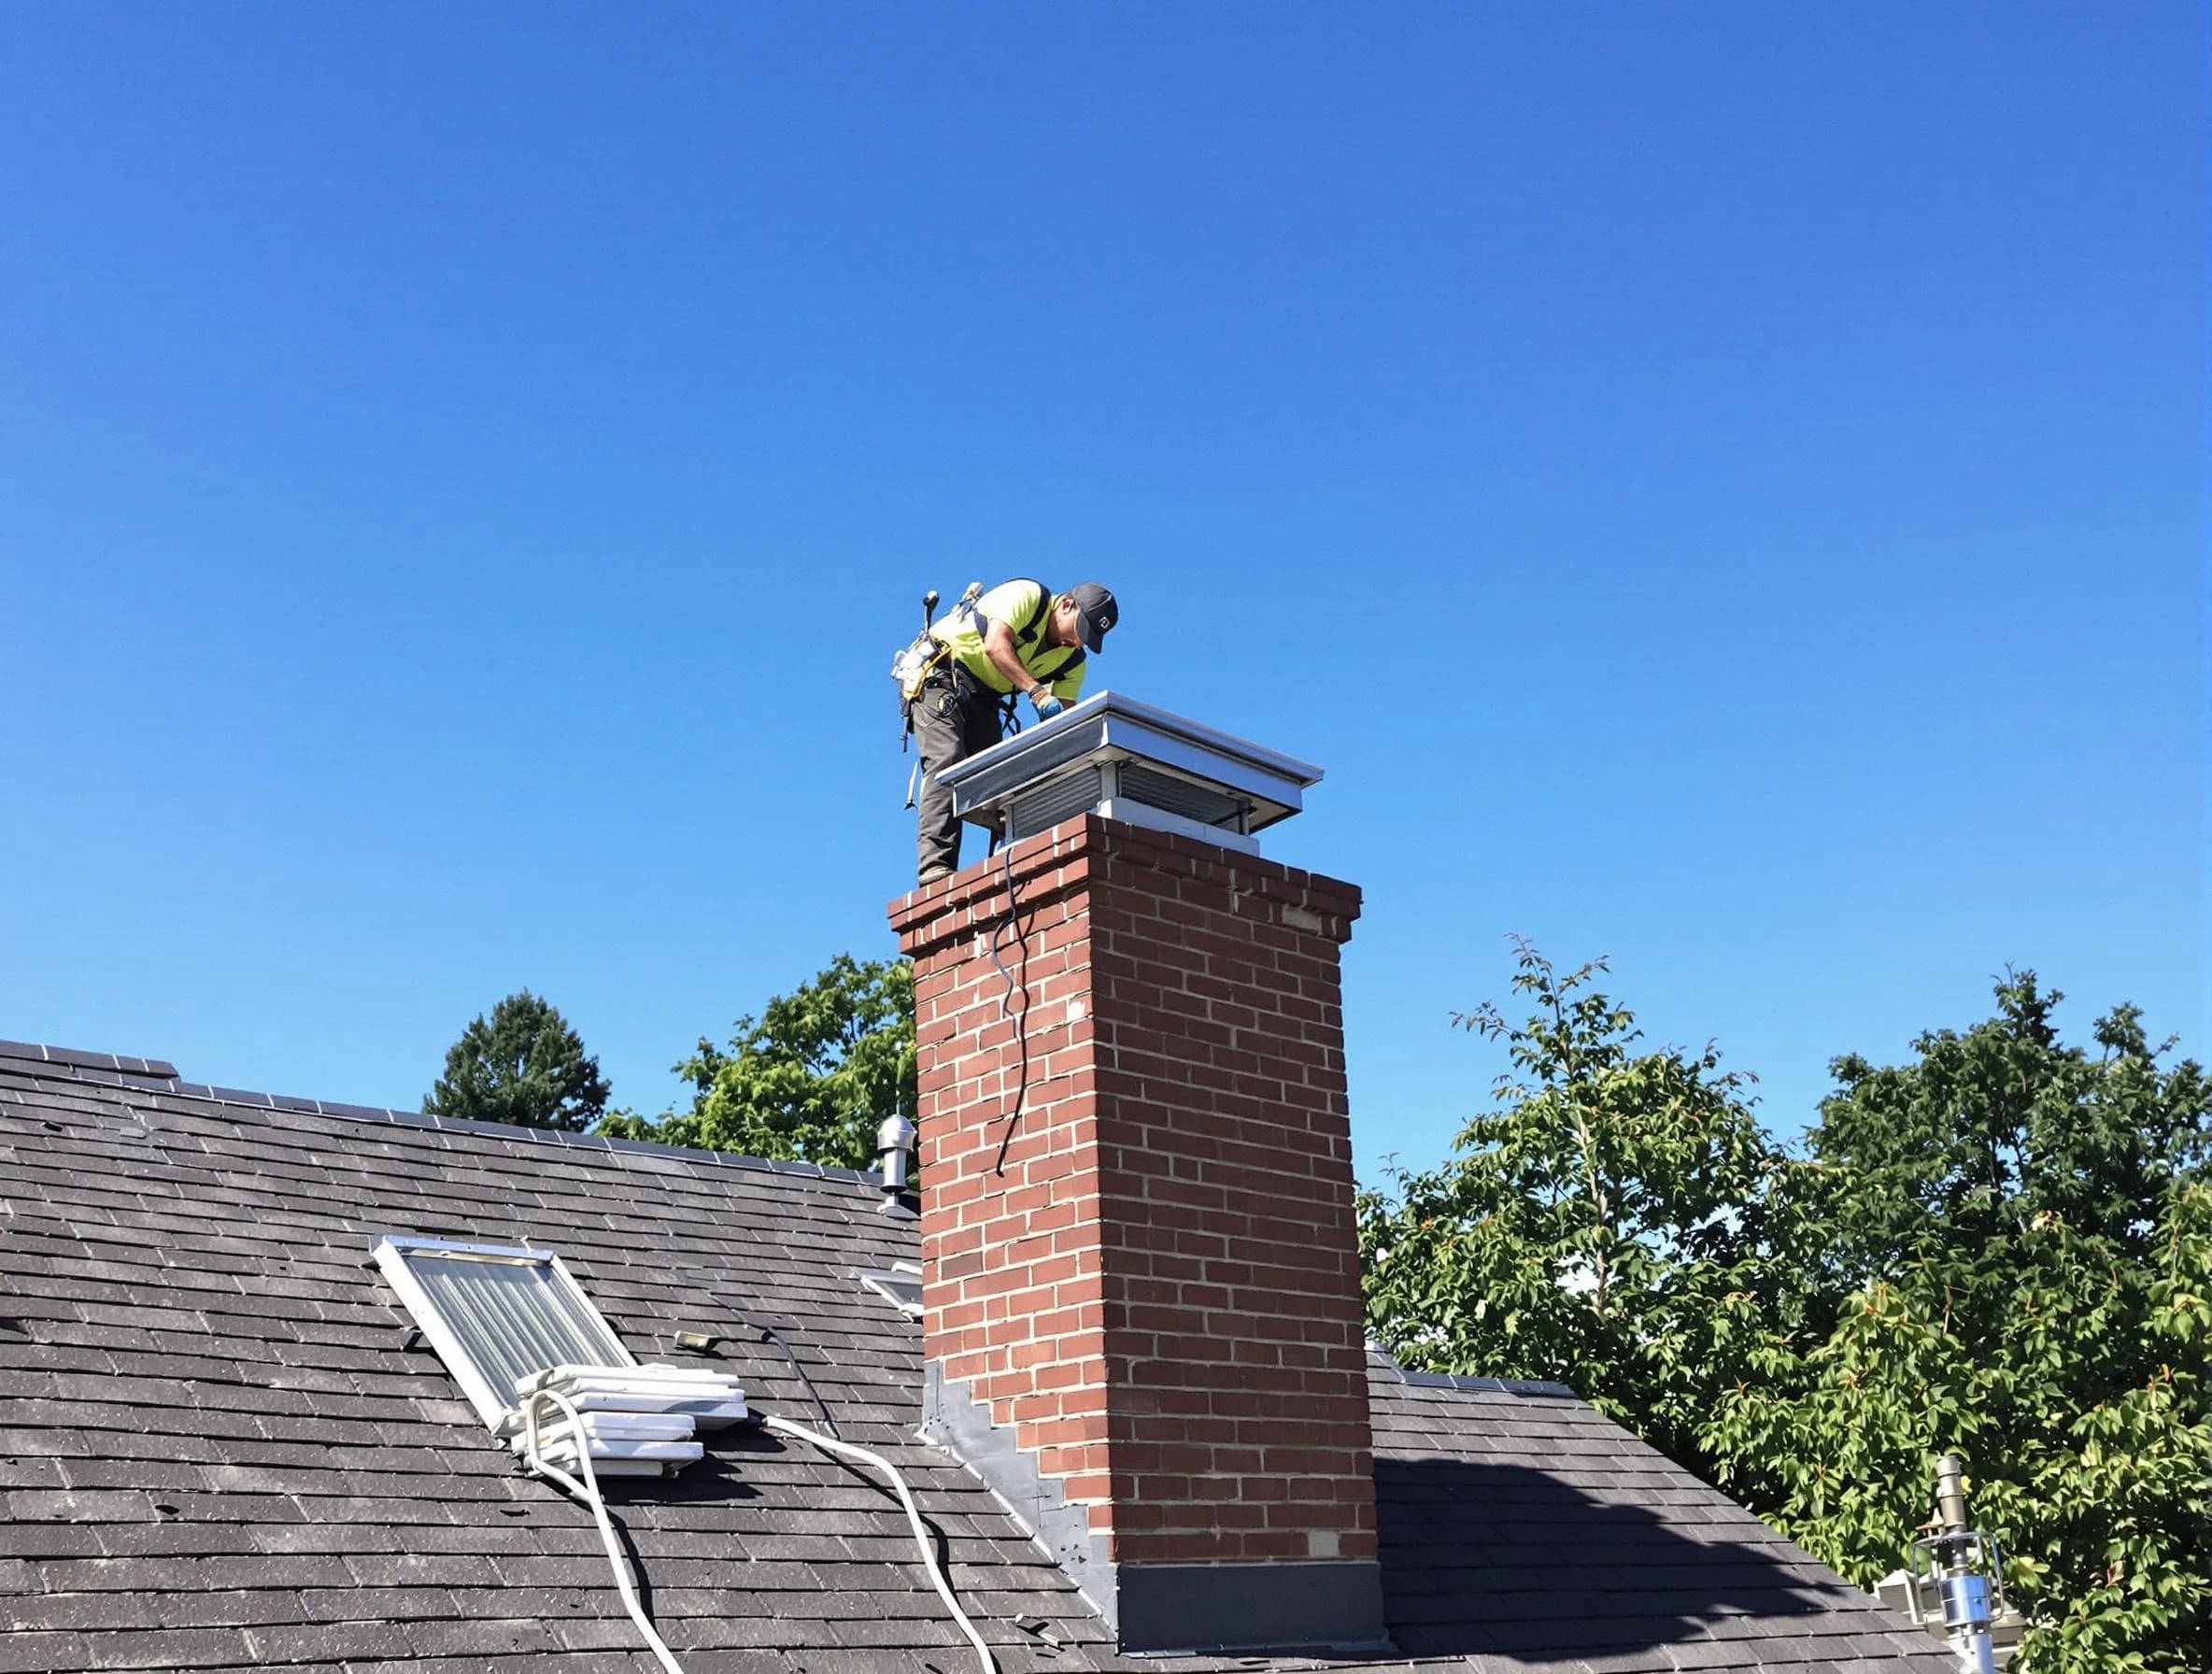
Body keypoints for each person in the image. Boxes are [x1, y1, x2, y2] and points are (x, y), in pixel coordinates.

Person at [909, 578, 1117, 884]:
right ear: (1066, 605)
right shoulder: (1027, 596)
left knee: (994, 780)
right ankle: (936, 871)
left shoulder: (1072, 661)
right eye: (1079, 630)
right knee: (947, 761)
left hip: (985, 698)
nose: (1078, 642)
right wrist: (1037, 692)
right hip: (941, 675)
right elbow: (996, 645)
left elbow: (1065, 727)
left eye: (1087, 638)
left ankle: (1011, 870)